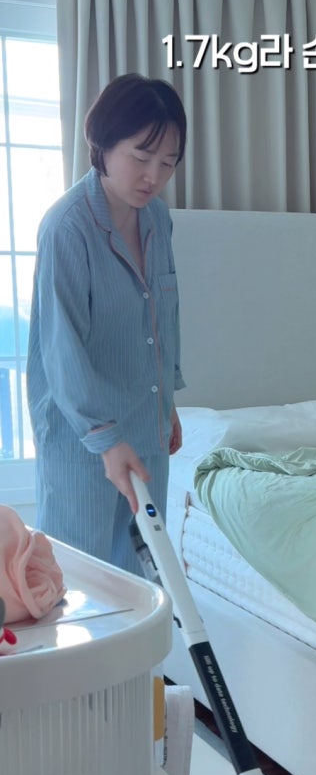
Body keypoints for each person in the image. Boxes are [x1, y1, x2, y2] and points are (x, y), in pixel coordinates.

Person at [27, 73, 187, 574]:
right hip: (83, 438)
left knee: (145, 577)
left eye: (168, 162)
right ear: (103, 143)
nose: (153, 176)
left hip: (146, 425)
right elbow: (62, 350)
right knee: (80, 580)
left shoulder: (157, 219)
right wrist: (106, 440)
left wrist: (167, 400)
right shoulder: (67, 227)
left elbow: (163, 315)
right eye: (141, 157)